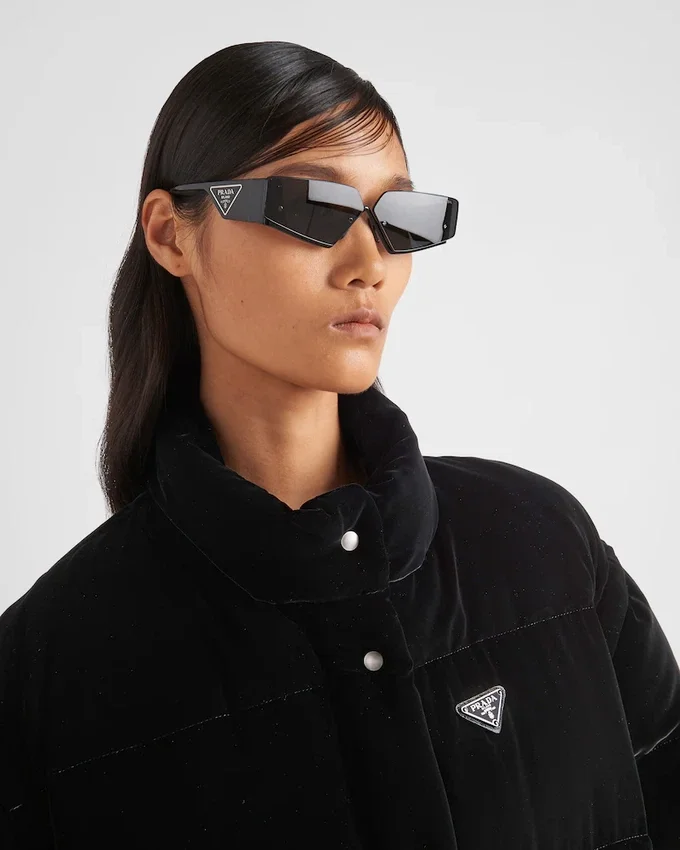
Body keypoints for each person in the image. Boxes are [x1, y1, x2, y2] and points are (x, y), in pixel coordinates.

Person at [0, 40, 678, 850]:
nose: (370, 263)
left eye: (398, 219)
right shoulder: (46, 671)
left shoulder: (547, 546)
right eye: (313, 209)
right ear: (171, 235)